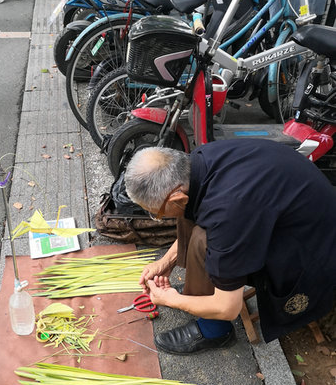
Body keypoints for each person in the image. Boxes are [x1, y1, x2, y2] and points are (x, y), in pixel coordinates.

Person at [124, 140, 336, 354]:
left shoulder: (228, 214)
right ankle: (200, 291)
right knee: (187, 211)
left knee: (201, 240)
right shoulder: (198, 161)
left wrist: (173, 300)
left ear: (177, 195)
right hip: (288, 216)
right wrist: (165, 262)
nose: (156, 218)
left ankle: (215, 330)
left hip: (313, 253)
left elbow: (228, 307)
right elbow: (199, 209)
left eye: (156, 213)